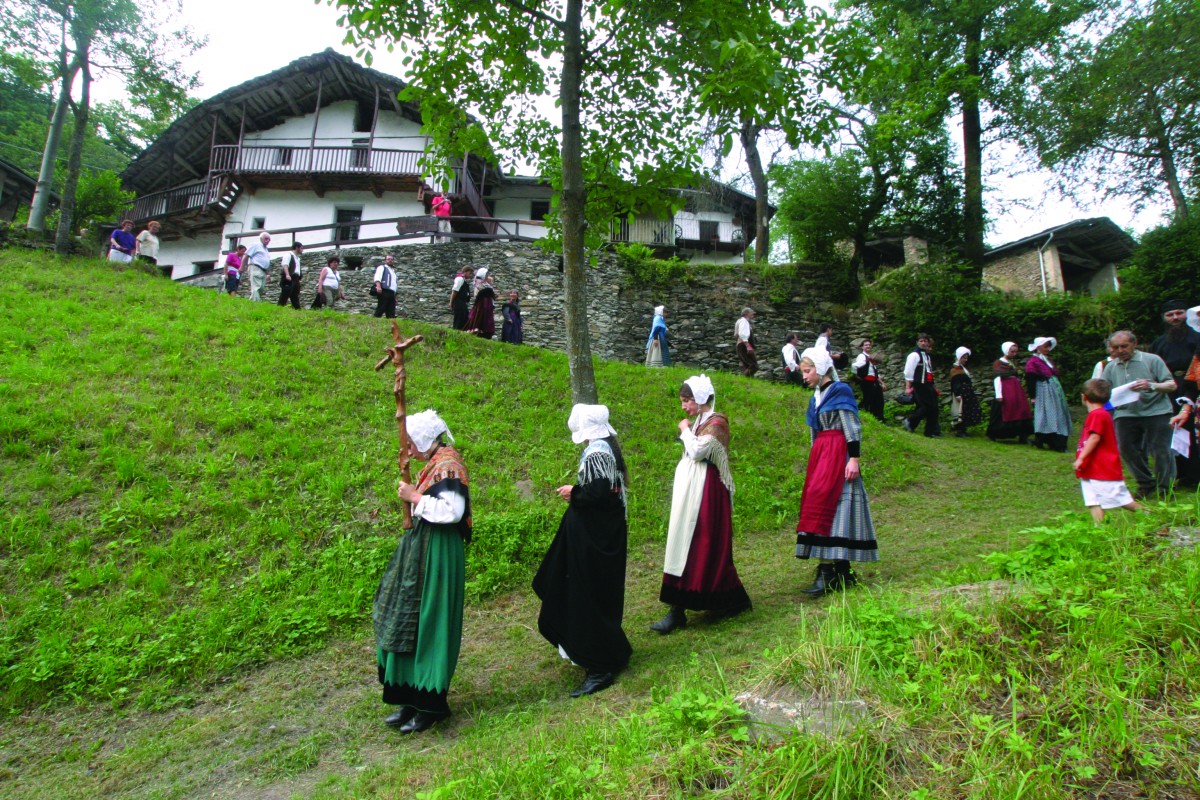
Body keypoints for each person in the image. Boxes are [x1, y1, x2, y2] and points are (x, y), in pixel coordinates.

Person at [373, 409, 470, 734]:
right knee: (405, 616)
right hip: (421, 551)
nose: (409, 449)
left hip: (440, 554)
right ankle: (407, 697)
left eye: (412, 442)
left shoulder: (448, 465)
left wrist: (415, 497)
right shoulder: (432, 463)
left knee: (431, 623)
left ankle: (429, 705)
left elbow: (453, 512)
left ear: (427, 439)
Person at [533, 404, 632, 698]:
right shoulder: (607, 448)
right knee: (598, 594)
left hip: (593, 540)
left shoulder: (597, 453)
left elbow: (599, 493)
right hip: (599, 534)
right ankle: (612, 650)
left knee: (586, 595)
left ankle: (599, 666)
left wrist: (573, 492)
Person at [651, 375, 751, 634]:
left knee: (699, 544)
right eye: (683, 401)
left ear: (701, 399)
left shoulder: (717, 423)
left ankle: (698, 604)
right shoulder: (700, 422)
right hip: (691, 492)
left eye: (687, 401)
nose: (684, 406)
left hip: (706, 494)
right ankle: (680, 606)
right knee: (682, 541)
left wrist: (684, 430)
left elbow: (697, 452)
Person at [794, 347, 879, 595]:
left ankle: (830, 571)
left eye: (807, 371)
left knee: (839, 506)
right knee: (822, 504)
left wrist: (854, 458)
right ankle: (841, 571)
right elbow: (815, 432)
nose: (804, 376)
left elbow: (851, 425)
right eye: (803, 372)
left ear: (820, 370)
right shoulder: (816, 397)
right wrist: (815, 458)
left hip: (839, 452)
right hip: (822, 455)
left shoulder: (840, 391)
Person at [1101, 330, 1177, 497]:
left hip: (1157, 411)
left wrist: (1151, 385)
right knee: (1127, 449)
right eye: (1115, 347)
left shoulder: (1151, 360)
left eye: (1124, 346)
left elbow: (1171, 385)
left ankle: (1166, 489)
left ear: (1134, 344)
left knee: (1161, 450)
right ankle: (1146, 483)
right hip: (1126, 413)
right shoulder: (1111, 367)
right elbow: (1103, 391)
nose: (1120, 350)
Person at [1075, 379, 1141, 523]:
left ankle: (1152, 514)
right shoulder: (1098, 414)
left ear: (1084, 397)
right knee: (1092, 500)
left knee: (1122, 500)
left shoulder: (1098, 415)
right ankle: (1100, 531)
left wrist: (1081, 458)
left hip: (1102, 468)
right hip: (1090, 468)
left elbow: (1094, 438)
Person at [1150, 299, 1200, 488]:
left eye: (1179, 313)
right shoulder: (1159, 343)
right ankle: (1179, 472)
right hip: (1169, 390)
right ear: (1164, 318)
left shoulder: (1196, 338)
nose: (1175, 317)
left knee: (1193, 432)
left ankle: (1195, 473)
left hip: (1193, 386)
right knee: (1172, 431)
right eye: (1170, 315)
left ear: (1186, 314)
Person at [1025, 336, 1072, 452]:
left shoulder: (1048, 360)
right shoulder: (1033, 362)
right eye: (1045, 346)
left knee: (1058, 414)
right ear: (1038, 347)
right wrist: (1033, 396)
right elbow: (1030, 379)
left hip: (1055, 390)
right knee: (1046, 414)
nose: (1048, 348)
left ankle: (1057, 441)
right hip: (1044, 390)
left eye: (1049, 346)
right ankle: (1047, 440)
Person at [987, 342, 1034, 444]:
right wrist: (999, 394)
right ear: (1006, 350)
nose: (1014, 354)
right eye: (1012, 351)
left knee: (1021, 410)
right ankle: (994, 434)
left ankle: (1023, 436)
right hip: (1006, 389)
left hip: (1016, 389)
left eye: (1015, 352)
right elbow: (997, 378)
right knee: (1004, 410)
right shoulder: (998, 363)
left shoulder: (1012, 363)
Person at [902, 333, 941, 437]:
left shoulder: (926, 356)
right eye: (921, 341)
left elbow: (928, 371)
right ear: (917, 342)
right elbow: (908, 371)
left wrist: (933, 386)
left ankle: (930, 431)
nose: (923, 343)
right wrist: (908, 387)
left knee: (934, 408)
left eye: (925, 341)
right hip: (919, 384)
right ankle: (910, 421)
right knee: (927, 406)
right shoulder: (914, 355)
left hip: (928, 384)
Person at [949, 347, 982, 437]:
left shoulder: (962, 368)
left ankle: (963, 430)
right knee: (960, 411)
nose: (965, 360)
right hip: (961, 393)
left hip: (967, 392)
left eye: (966, 358)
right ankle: (960, 431)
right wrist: (957, 394)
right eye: (964, 357)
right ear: (959, 357)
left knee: (966, 411)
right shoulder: (955, 369)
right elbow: (955, 384)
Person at [852, 339, 886, 421]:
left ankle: (879, 417)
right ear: (862, 347)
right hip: (867, 381)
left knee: (879, 400)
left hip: (873, 381)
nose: (868, 346)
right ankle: (866, 414)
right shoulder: (862, 357)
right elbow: (854, 366)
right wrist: (857, 376)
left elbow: (874, 373)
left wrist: (882, 383)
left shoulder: (872, 357)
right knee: (868, 399)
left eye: (869, 345)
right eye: (866, 345)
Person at [465, 267, 496, 338]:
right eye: (486, 274)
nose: (487, 276)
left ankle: (486, 331)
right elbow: (478, 293)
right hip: (482, 302)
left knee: (487, 316)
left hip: (487, 302)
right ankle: (479, 330)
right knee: (480, 316)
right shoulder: (478, 282)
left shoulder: (485, 282)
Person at [243, 231, 272, 302]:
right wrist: (242, 267)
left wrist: (268, 273)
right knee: (256, 287)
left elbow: (266, 262)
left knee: (261, 288)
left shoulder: (266, 249)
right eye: (266, 238)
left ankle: (252, 303)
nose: (267, 241)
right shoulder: (256, 245)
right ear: (261, 239)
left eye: (269, 239)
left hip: (263, 270)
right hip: (255, 267)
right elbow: (246, 255)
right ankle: (256, 303)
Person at [277, 242, 304, 309]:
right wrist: (287, 275)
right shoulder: (288, 255)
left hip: (296, 277)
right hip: (290, 276)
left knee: (295, 294)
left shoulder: (298, 258)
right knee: (285, 293)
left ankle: (297, 309)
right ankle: (279, 307)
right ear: (297, 247)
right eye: (301, 248)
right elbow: (285, 265)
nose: (302, 250)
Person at [372, 254, 398, 319]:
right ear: (385, 260)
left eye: (391, 259)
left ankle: (391, 323)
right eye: (388, 259)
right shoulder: (382, 267)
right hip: (384, 290)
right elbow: (377, 277)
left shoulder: (393, 271)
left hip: (391, 292)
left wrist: (395, 296)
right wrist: (378, 286)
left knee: (391, 309)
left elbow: (394, 284)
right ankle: (375, 320)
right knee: (381, 307)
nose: (390, 261)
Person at [735, 308, 757, 377]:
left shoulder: (741, 321)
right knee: (753, 366)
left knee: (747, 365)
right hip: (743, 345)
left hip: (742, 345)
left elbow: (736, 335)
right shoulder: (744, 321)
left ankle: (748, 382)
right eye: (752, 313)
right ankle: (743, 379)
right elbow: (742, 334)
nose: (753, 315)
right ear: (746, 313)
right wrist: (747, 345)